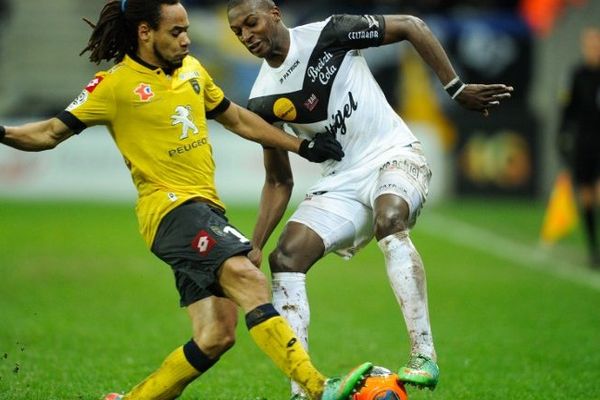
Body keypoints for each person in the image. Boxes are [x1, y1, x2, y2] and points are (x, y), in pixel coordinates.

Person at [0, 1, 375, 399]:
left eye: (186, 29)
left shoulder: (193, 71)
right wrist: (3, 131)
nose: (186, 39)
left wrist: (301, 146)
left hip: (205, 209)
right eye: (176, 32)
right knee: (249, 278)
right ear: (145, 33)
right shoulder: (114, 86)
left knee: (216, 335)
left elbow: (236, 118)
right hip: (170, 211)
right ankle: (319, 389)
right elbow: (47, 134)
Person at [227, 1, 514, 397]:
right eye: (237, 31)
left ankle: (423, 356)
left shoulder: (331, 34)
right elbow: (278, 180)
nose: (246, 36)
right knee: (286, 257)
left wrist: (455, 87)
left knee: (390, 219)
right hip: (341, 182)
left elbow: (413, 26)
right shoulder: (261, 99)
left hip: (394, 155)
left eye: (251, 23)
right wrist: (256, 245)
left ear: (274, 13)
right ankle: (301, 390)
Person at [557, 27, 600, 268]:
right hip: (584, 142)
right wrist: (563, 137)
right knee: (586, 197)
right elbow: (567, 110)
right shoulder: (576, 75)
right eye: (591, 45)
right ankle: (594, 249)